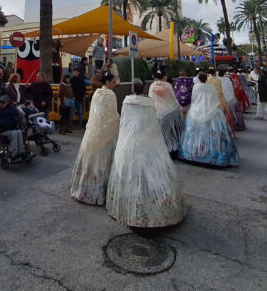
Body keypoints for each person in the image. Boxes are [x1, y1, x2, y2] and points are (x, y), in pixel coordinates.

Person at [106, 78, 185, 228]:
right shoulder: (149, 103)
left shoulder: (126, 101)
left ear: (131, 88)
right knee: (152, 170)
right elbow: (152, 122)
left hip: (129, 142)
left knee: (130, 170)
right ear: (143, 88)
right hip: (148, 140)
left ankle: (128, 204)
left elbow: (124, 121)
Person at [70, 72, 119, 205]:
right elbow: (111, 116)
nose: (115, 84)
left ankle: (85, 189)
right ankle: (99, 193)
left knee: (90, 159)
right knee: (103, 160)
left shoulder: (97, 93)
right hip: (105, 134)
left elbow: (95, 113)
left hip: (92, 133)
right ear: (107, 82)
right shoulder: (110, 95)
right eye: (113, 81)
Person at [179, 71, 238, 167]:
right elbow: (215, 99)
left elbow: (194, 99)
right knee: (214, 133)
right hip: (212, 111)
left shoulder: (196, 87)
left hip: (196, 111)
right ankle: (213, 156)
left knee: (194, 133)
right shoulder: (211, 87)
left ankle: (193, 154)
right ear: (206, 78)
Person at [149, 69, 183, 157]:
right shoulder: (168, 86)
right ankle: (173, 151)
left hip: (158, 114)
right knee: (171, 133)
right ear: (164, 77)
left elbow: (151, 99)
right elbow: (173, 98)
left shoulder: (152, 86)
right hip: (169, 113)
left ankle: (163, 152)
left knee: (162, 135)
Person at [0, 95, 25, 161]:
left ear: (7, 102)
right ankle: (14, 154)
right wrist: (5, 122)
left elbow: (19, 115)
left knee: (19, 132)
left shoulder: (12, 108)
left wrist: (16, 119)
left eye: (3, 102)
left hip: (12, 128)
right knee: (15, 133)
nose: (1, 104)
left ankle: (20, 152)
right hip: (2, 130)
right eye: (0, 102)